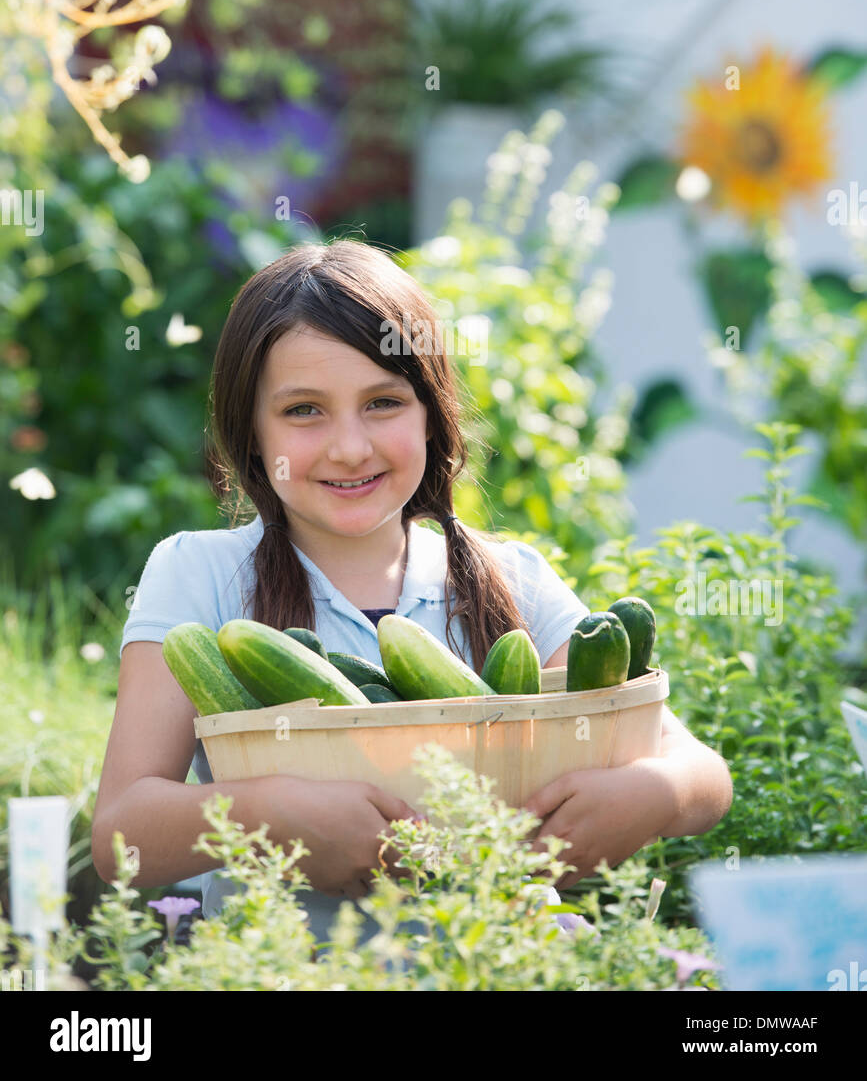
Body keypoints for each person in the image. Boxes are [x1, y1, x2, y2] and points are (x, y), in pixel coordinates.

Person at [91, 238, 732, 948]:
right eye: (304, 410)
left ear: (432, 414)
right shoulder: (200, 576)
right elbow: (122, 831)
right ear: (250, 430)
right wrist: (269, 815)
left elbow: (702, 775)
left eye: (383, 403)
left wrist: (651, 794)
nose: (349, 447)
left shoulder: (509, 580)